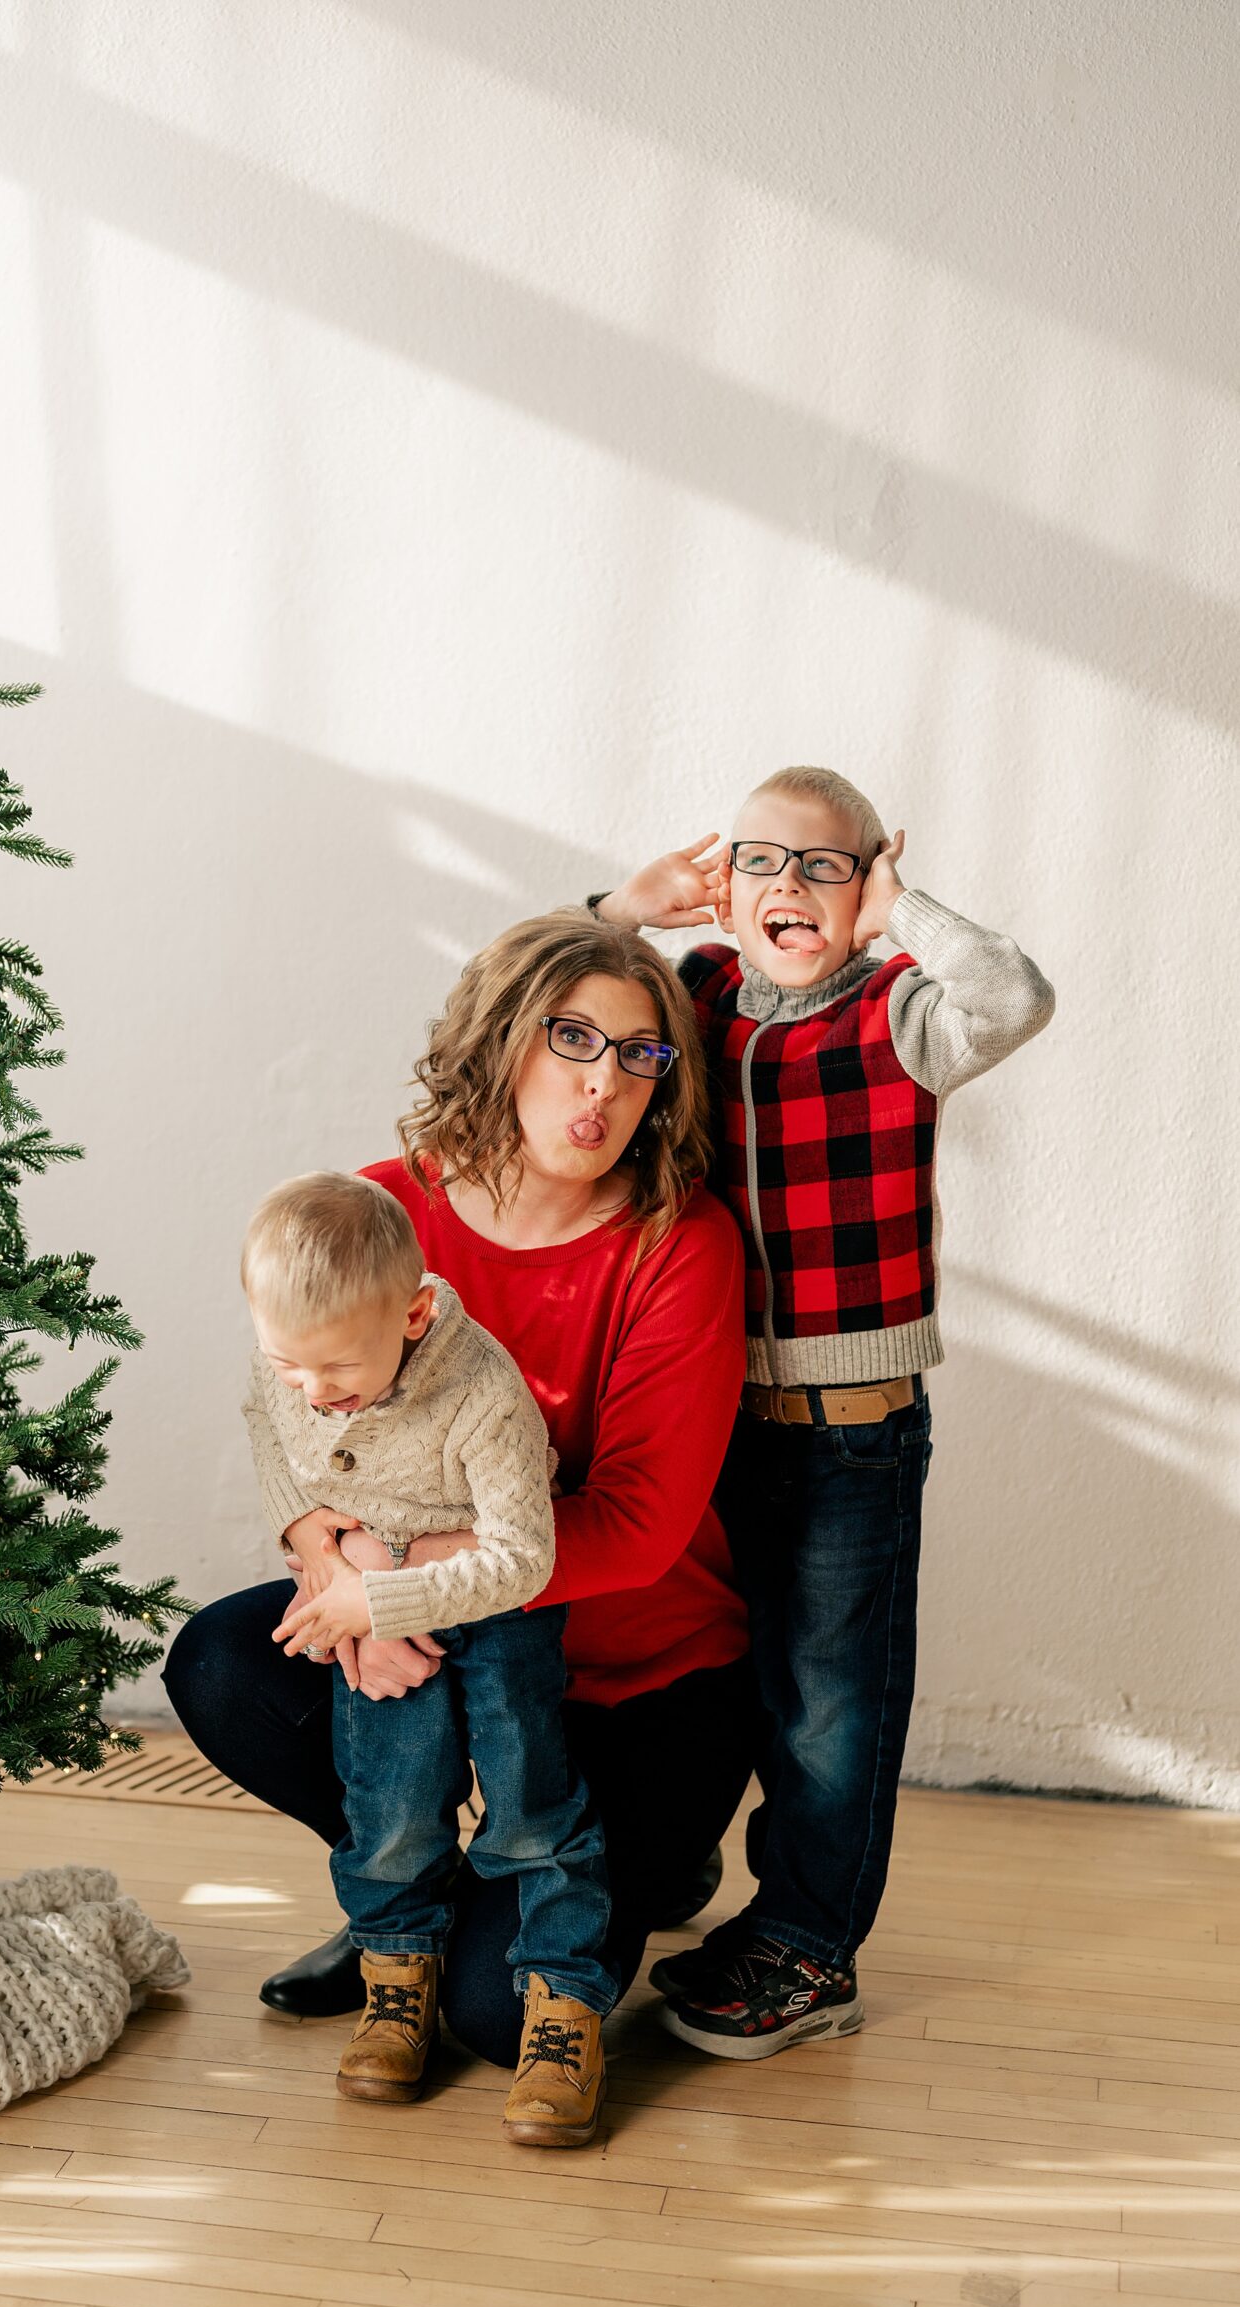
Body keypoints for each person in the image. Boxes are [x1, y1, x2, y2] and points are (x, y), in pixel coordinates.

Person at [165, 910, 752, 2077]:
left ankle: (647, 1864)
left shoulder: (678, 1245)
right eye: (572, 1038)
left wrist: (395, 1583)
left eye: (642, 1055)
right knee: (223, 1663)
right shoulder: (385, 1206)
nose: (606, 1082)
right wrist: (331, 1563)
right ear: (501, 1042)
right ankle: (407, 1904)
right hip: (441, 1634)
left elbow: (638, 1529)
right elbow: (293, 1400)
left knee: (494, 2023)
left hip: (632, 1663)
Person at [588, 765, 1055, 2059]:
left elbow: (1013, 995)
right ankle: (672, 1862)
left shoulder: (901, 1013)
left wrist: (904, 910)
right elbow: (544, 1007)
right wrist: (623, 911)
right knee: (713, 1661)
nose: (786, 888)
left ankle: (805, 1947)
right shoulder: (691, 999)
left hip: (852, 1431)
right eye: (759, 862)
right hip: (712, 1412)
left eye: (823, 866)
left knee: (828, 1698)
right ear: (718, 883)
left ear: (868, 884)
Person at [239, 1171, 614, 2145]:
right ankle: (396, 1975)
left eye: (334, 1372)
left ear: (412, 1314)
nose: (312, 1395)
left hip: (495, 1612)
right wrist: (323, 1555)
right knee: (390, 1803)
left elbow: (524, 1559)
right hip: (370, 1599)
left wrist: (378, 1595)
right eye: (288, 1365)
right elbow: (269, 1432)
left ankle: (563, 2008)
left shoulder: (482, 1393)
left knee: (532, 1808)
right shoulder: (292, 1364)